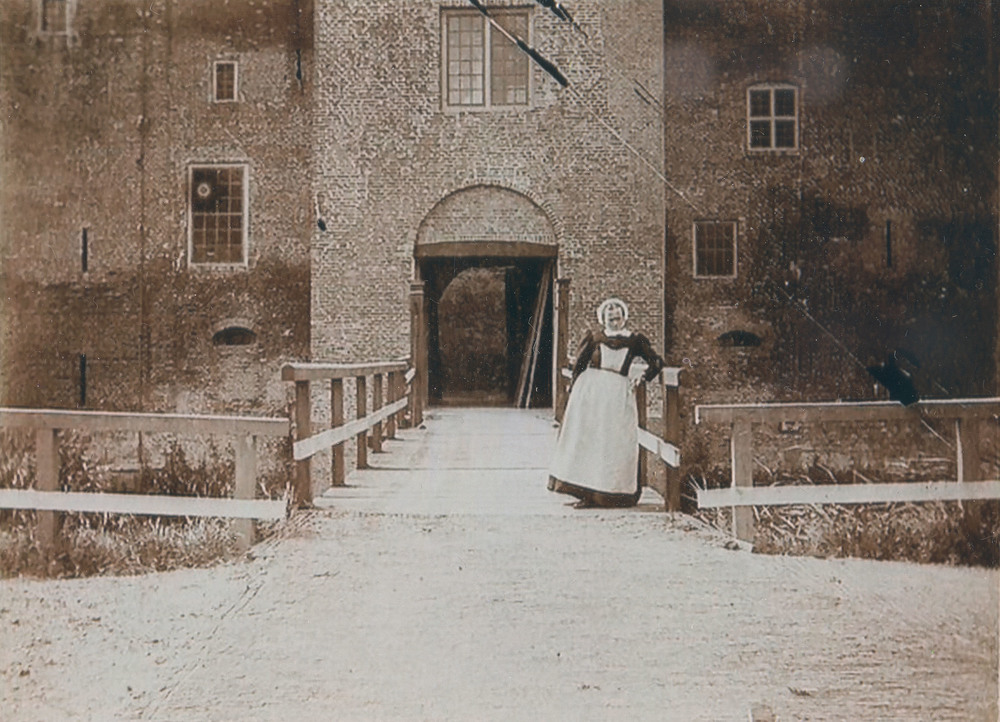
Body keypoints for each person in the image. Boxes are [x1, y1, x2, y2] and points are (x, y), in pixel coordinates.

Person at [548, 297, 666, 508]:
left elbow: (656, 362)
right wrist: (574, 396)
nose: (615, 321)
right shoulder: (594, 338)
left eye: (618, 317)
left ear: (624, 318)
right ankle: (586, 494)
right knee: (589, 440)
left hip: (617, 395)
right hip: (591, 394)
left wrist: (644, 376)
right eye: (610, 318)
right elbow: (579, 366)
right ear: (603, 319)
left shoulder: (634, 340)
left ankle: (610, 495)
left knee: (614, 442)